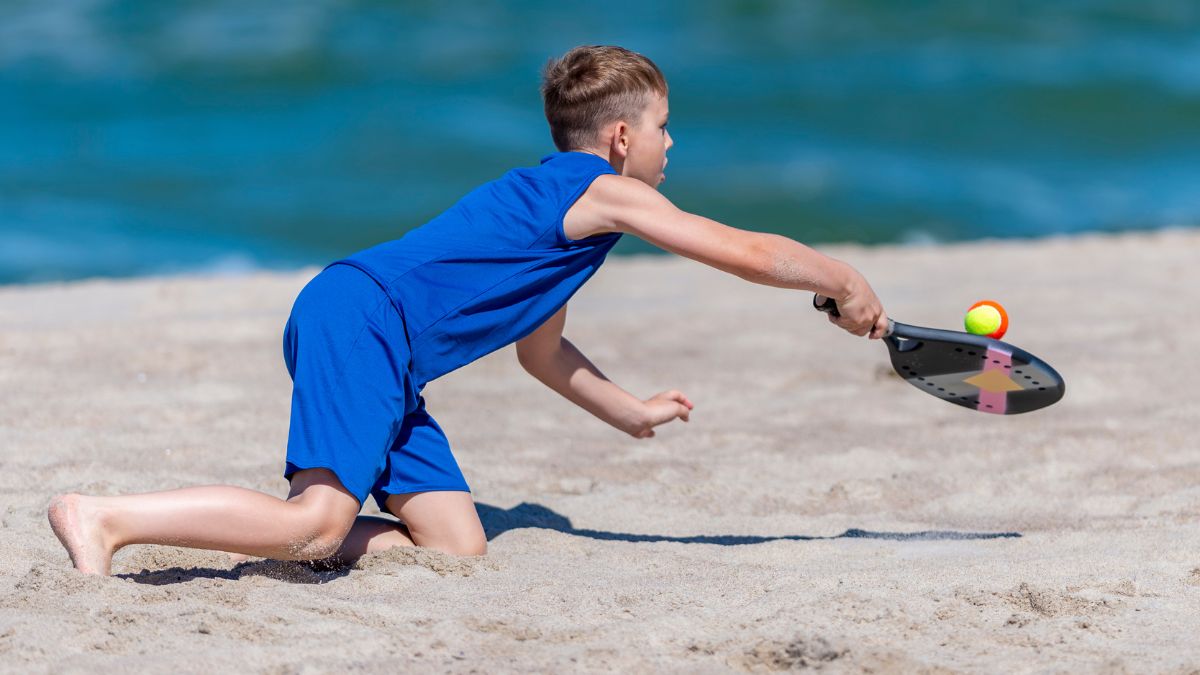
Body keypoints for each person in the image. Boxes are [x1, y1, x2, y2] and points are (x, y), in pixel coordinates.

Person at [48, 45, 888, 575]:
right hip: (363, 317)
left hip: (377, 339)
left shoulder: (557, 218)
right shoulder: (599, 191)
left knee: (454, 543)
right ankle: (109, 516)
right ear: (623, 138)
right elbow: (737, 248)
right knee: (316, 523)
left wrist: (629, 411)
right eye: (667, 126)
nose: (675, 144)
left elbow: (541, 352)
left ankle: (267, 521)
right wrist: (842, 278)